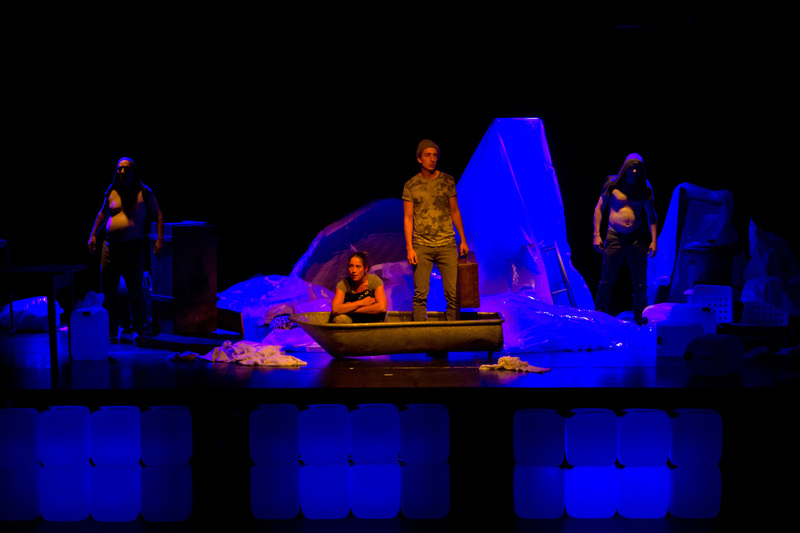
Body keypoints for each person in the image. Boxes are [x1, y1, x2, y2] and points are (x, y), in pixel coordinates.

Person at [88, 157, 164, 340]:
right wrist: (93, 235)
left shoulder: (144, 192)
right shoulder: (112, 191)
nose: (121, 171)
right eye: (119, 168)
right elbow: (102, 213)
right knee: (109, 292)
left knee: (135, 291)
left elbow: (158, 215)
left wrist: (160, 239)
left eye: (125, 169)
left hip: (133, 247)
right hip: (110, 247)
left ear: (133, 171)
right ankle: (111, 331)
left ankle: (139, 328)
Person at [403, 139, 469, 321]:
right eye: (427, 155)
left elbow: (454, 211)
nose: (432, 159)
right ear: (419, 159)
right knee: (420, 295)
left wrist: (463, 240)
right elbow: (408, 217)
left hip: (446, 243)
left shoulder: (447, 180)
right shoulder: (411, 185)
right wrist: (409, 247)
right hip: (422, 245)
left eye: (435, 155)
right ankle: (420, 334)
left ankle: (452, 333)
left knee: (453, 294)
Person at [592, 152, 658, 326]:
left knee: (640, 284)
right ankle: (598, 318)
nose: (634, 171)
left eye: (638, 168)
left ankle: (640, 320)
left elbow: (652, 215)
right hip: (615, 237)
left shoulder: (645, 188)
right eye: (632, 167)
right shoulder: (613, 183)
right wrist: (596, 234)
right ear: (626, 167)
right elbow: (599, 208)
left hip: (637, 238)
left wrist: (654, 240)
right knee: (607, 281)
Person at [330, 251, 387, 323]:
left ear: (365, 268)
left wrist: (351, 309)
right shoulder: (344, 284)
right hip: (352, 319)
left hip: (371, 318)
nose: (353, 270)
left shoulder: (374, 281)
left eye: (358, 266)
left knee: (382, 316)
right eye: (351, 266)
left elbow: (382, 307)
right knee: (339, 319)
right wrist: (361, 302)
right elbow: (335, 309)